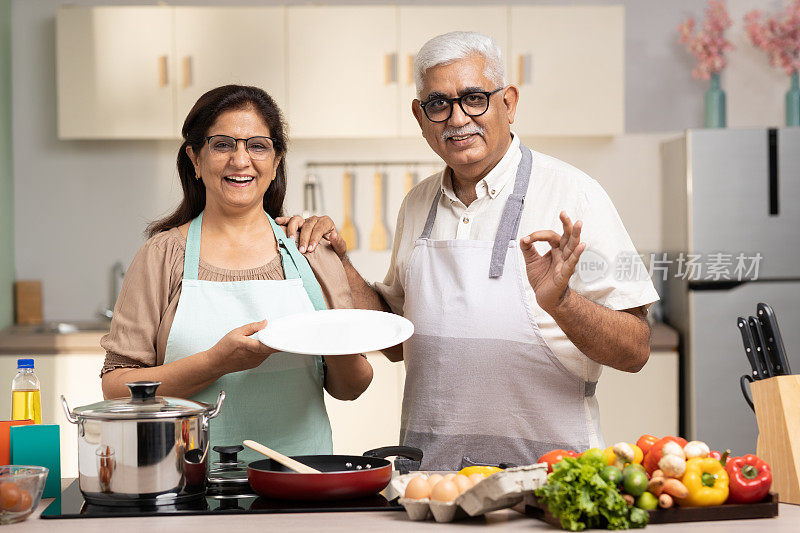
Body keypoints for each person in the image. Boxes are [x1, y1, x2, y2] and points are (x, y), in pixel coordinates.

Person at [282, 31, 659, 471]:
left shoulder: (576, 195)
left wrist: (562, 302)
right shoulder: (416, 203)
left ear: (509, 102)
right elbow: (397, 341)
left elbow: (636, 350)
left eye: (474, 98)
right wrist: (338, 261)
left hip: (549, 480)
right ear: (420, 117)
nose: (458, 118)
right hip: (430, 482)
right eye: (439, 104)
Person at [100, 85, 373, 459]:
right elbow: (116, 388)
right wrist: (216, 363)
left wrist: (332, 336)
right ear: (195, 159)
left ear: (276, 161)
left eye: (258, 145)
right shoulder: (161, 255)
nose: (241, 160)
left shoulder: (310, 251)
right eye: (223, 144)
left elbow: (352, 386)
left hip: (300, 483)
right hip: (187, 482)